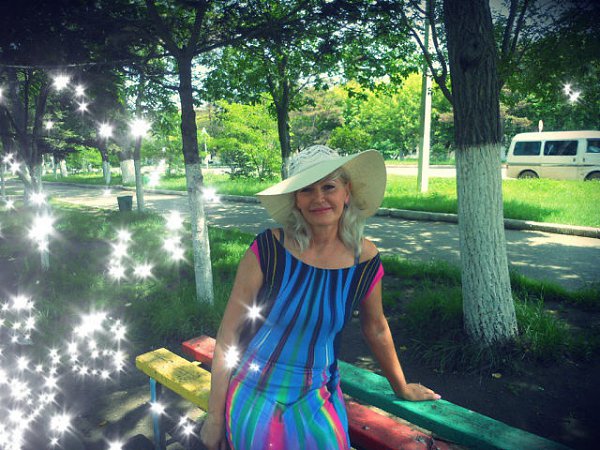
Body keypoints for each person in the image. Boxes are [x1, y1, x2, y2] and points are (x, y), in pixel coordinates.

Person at [200, 145, 440, 450]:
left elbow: (376, 327)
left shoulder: (364, 260)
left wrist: (401, 386)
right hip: (255, 386)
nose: (319, 198)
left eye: (329, 187)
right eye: (307, 190)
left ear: (347, 193)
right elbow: (228, 334)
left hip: (317, 392)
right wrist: (214, 416)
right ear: (296, 200)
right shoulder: (269, 249)